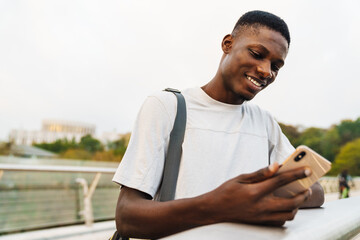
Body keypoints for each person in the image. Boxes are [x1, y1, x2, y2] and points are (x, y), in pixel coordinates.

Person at [112, 10, 325, 239]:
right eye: (256, 54)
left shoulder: (264, 123)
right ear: (227, 44)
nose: (266, 71)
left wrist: (262, 197)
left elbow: (317, 191)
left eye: (276, 66)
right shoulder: (167, 106)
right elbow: (127, 216)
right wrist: (220, 206)